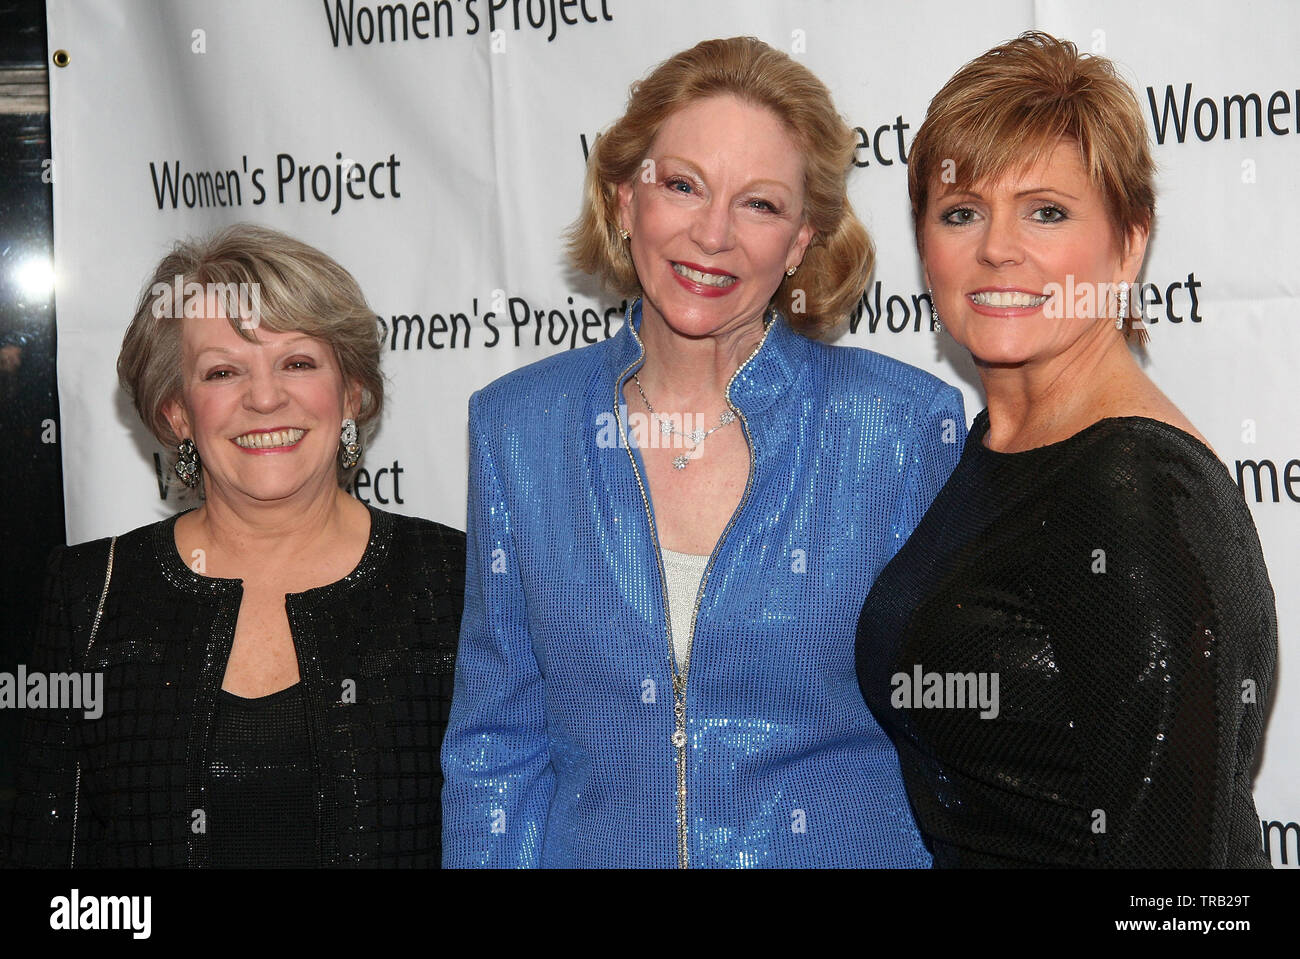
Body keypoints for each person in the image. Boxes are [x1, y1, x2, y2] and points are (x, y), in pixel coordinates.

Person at [442, 36, 964, 868]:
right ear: (623, 201)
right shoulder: (519, 428)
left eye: (759, 204)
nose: (712, 234)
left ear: (799, 241)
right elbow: (495, 748)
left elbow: (952, 747)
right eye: (682, 186)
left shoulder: (898, 428)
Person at [855, 32, 1277, 867]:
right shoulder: (999, 445)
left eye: (1047, 211)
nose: (997, 247)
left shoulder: (1135, 489)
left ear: (1127, 244)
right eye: (961, 211)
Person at [5, 224, 464, 867]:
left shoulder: (456, 583)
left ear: (352, 393)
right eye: (223, 371)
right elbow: (50, 859)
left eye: (297, 362)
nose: (266, 397)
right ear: (177, 412)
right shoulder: (91, 593)